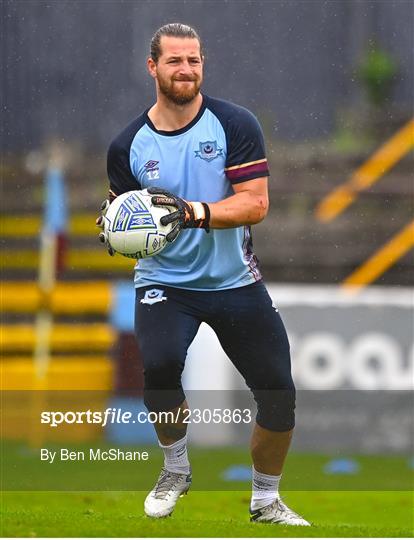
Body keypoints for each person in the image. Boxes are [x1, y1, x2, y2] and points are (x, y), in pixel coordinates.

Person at [97, 23, 309, 526]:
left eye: (193, 60)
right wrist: (112, 228)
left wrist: (191, 212)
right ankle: (175, 469)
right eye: (174, 61)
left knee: (279, 394)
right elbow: (120, 213)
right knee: (161, 368)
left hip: (234, 280)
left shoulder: (234, 124)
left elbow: (255, 205)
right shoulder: (127, 145)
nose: (186, 70)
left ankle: (265, 500)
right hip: (164, 283)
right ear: (153, 67)